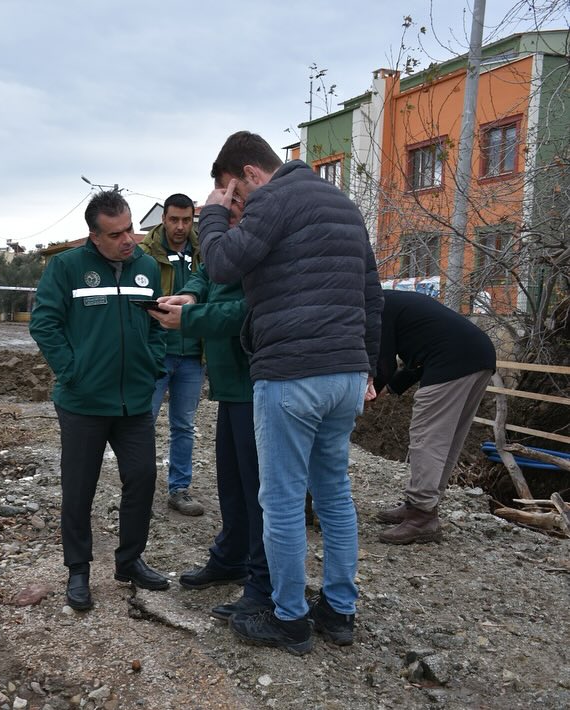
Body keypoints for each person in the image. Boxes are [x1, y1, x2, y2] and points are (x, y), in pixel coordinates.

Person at [201, 131, 383, 654]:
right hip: (346, 375)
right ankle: (340, 612)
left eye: (233, 196)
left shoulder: (274, 198)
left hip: (291, 375)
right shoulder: (342, 204)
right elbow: (372, 294)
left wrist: (213, 214)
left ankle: (289, 619)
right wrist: (367, 365)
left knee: (280, 501)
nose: (235, 208)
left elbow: (223, 264)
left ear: (247, 176)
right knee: (333, 495)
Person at [29, 190, 171, 612]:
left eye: (130, 228)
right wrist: (73, 372)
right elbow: (45, 324)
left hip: (133, 402)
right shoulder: (66, 268)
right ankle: (78, 570)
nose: (129, 239)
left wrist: (153, 364)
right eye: (117, 233)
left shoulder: (146, 267)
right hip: (83, 403)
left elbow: (158, 324)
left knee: (143, 478)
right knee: (79, 488)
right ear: (94, 236)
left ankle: (129, 562)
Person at [149, 241, 272, 620]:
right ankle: (231, 556)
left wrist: (191, 318)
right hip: (230, 382)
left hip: (255, 380)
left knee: (257, 489)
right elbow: (207, 273)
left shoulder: (265, 237)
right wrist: (190, 294)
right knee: (232, 480)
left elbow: (247, 310)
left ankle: (262, 581)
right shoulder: (232, 239)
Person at [373, 288, 496, 545]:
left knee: (427, 437)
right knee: (447, 439)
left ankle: (422, 516)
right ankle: (421, 506)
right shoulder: (394, 301)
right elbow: (419, 355)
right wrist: (392, 387)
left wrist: (370, 389)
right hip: (479, 354)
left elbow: (383, 361)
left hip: (452, 360)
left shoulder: (375, 308)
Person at [139, 193, 206, 516]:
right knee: (143, 422)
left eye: (186, 220)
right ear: (163, 219)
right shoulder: (144, 255)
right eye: (174, 219)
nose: (180, 227)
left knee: (183, 425)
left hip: (192, 356)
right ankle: (139, 492)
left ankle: (179, 489)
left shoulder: (203, 253)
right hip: (157, 354)